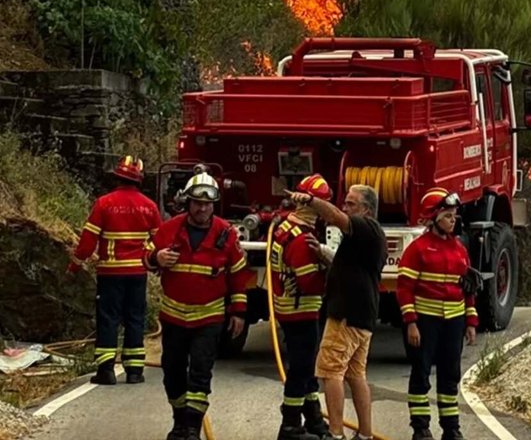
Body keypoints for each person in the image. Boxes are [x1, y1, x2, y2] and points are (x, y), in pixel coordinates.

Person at [145, 171, 251, 440]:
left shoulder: (226, 234)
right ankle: (179, 422)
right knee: (172, 373)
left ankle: (192, 428)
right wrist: (156, 257)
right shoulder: (169, 229)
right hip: (173, 317)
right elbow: (145, 258)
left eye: (207, 204)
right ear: (187, 202)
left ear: (214, 205)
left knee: (200, 375)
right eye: (196, 202)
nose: (202, 208)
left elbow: (239, 275)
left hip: (209, 318)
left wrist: (238, 312)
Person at [286, 182, 386, 440]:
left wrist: (309, 200)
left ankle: (335, 433)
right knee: (355, 374)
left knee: (331, 372)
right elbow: (351, 268)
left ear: (366, 210)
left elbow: (333, 216)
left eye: (351, 203)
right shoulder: (365, 238)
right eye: (345, 202)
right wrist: (321, 252)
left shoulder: (365, 228)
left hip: (347, 315)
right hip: (362, 316)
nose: (345, 206)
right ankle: (364, 435)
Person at [68, 154, 161, 385]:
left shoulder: (104, 203)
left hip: (110, 273)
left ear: (117, 177)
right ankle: (135, 371)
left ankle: (106, 370)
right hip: (138, 274)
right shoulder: (149, 207)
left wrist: (75, 264)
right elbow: (159, 241)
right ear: (139, 179)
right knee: (135, 318)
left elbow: (88, 240)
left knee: (108, 319)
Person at [396, 188, 478, 440]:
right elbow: (404, 288)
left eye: (454, 215)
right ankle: (421, 429)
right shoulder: (417, 249)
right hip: (425, 322)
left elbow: (468, 289)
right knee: (421, 374)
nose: (454, 220)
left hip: (453, 324)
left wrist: (471, 322)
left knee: (449, 375)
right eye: (448, 215)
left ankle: (451, 429)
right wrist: (411, 323)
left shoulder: (460, 250)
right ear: (433, 218)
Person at [270, 174, 333, 440]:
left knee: (307, 370)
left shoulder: (286, 227)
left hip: (290, 308)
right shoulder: (302, 240)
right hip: (301, 310)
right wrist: (329, 266)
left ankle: (315, 420)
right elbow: (310, 283)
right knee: (301, 369)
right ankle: (291, 425)